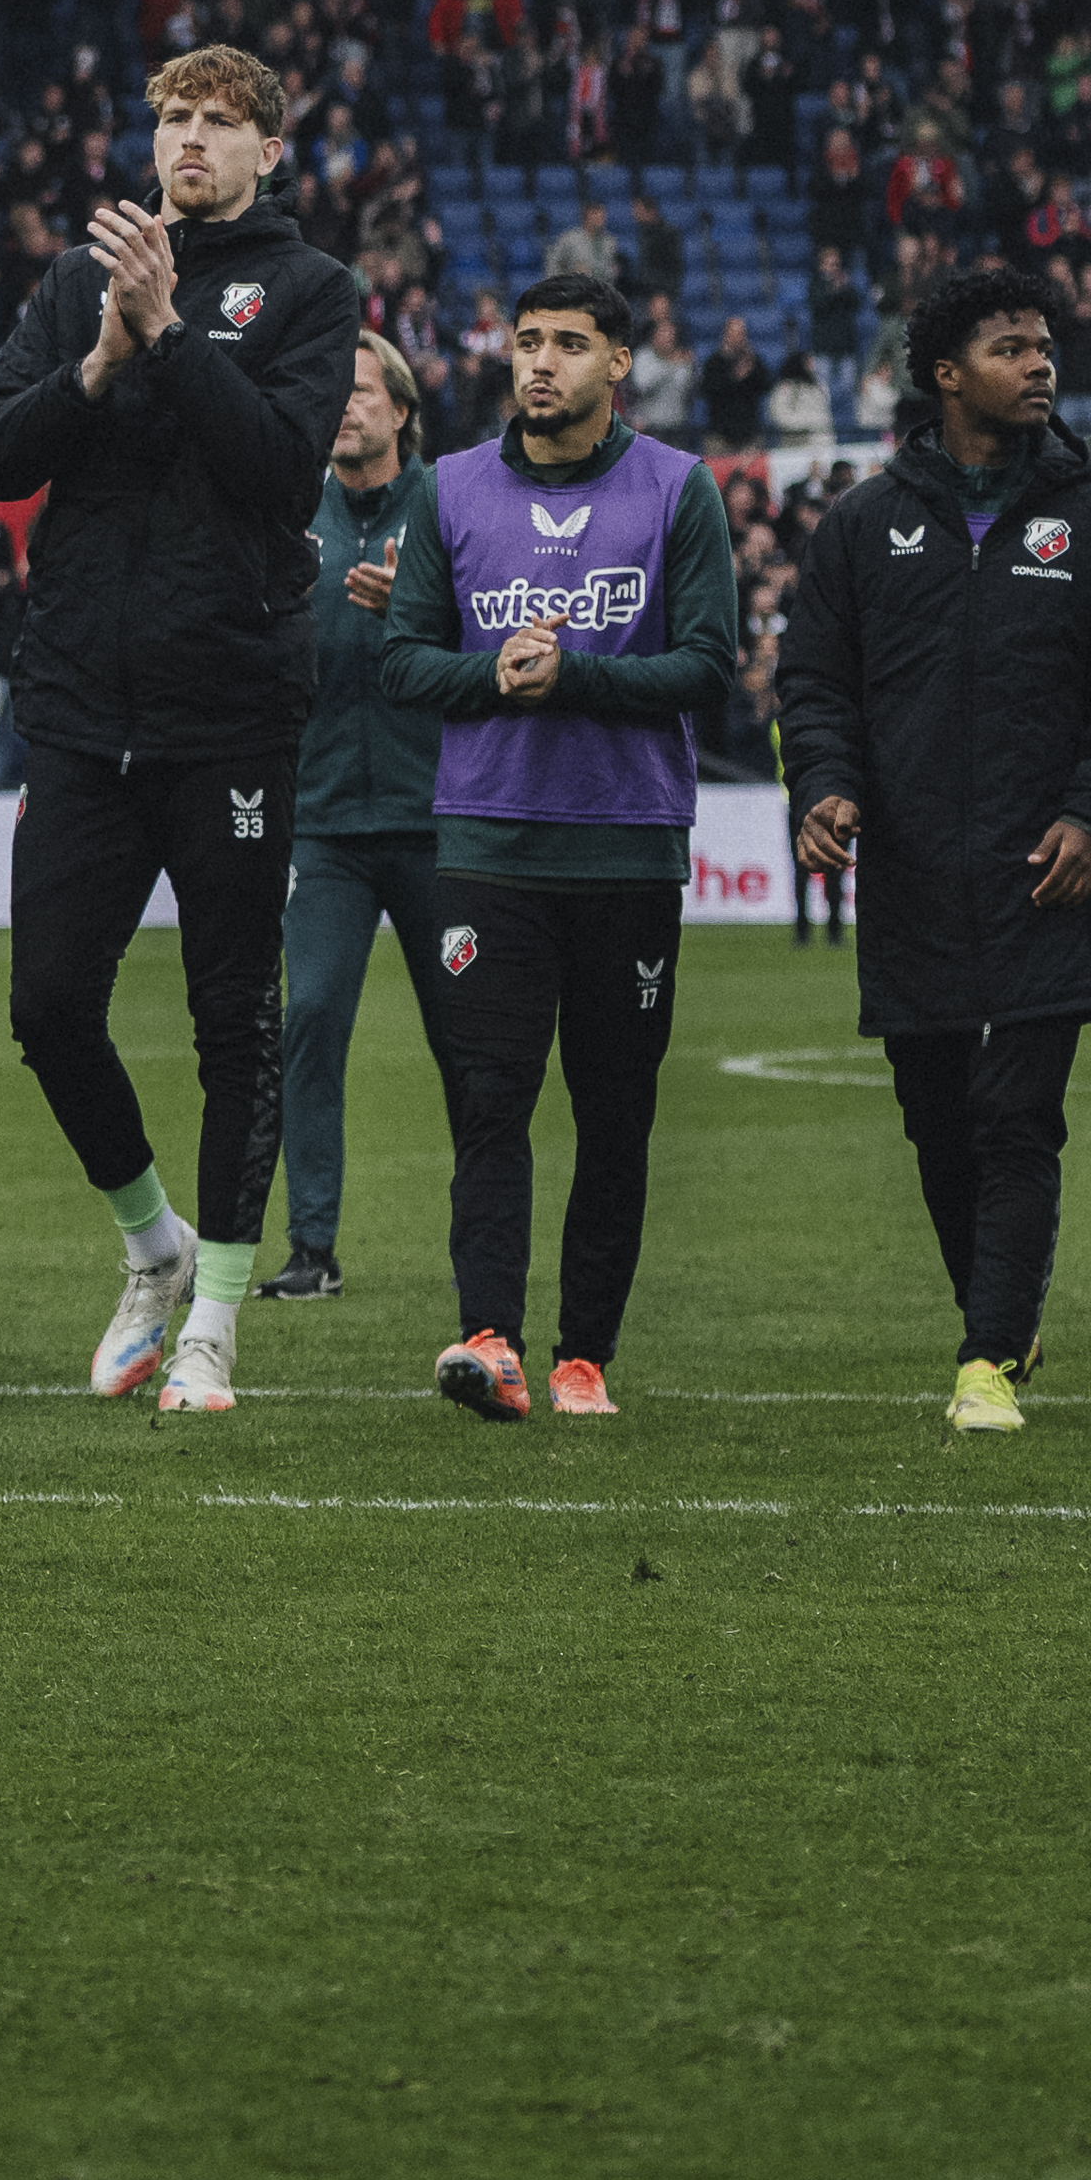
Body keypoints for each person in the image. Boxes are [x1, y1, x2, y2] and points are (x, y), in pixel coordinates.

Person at [0, 37, 360, 1414]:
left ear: (267, 150)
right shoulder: (83, 279)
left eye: (217, 121)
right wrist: (99, 353)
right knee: (45, 1004)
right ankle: (152, 1247)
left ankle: (216, 1324)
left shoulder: (314, 290)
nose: (188, 139)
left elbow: (274, 468)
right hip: (79, 702)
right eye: (173, 117)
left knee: (227, 1017)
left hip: (231, 707)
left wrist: (173, 335)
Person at [771, 264, 1091, 1428]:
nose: (1039, 364)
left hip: (1049, 877)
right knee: (936, 1120)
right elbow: (813, 682)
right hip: (915, 880)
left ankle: (987, 1357)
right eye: (1010, 348)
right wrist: (829, 787)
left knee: (1014, 1116)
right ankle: (1006, 1318)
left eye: (1043, 347)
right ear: (946, 375)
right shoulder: (861, 524)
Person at [375, 270, 747, 1417]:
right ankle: (489, 1340)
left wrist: (572, 671)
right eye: (527, 341)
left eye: (570, 344)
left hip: (626, 850)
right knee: (489, 1100)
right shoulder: (446, 490)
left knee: (613, 1113)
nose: (540, 362)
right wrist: (494, 669)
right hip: (487, 848)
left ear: (618, 364)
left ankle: (585, 1355)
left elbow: (709, 667)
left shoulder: (678, 491)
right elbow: (399, 661)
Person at [266, 331, 452, 1303]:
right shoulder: (291, 514)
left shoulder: (452, 509)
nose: (345, 405)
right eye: (330, 390)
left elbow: (500, 646)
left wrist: (414, 614)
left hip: (441, 825)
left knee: (466, 1039)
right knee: (309, 1018)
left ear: (403, 408)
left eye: (363, 390)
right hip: (327, 828)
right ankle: (310, 1248)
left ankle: (484, 1242)